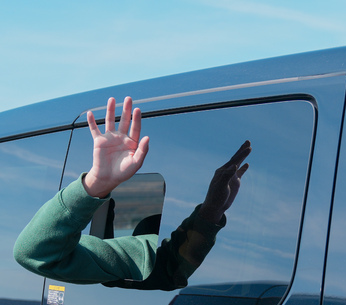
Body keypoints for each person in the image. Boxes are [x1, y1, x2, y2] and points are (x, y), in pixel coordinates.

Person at [14, 96, 249, 287]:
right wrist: (96, 183)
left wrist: (213, 210)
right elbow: (34, 253)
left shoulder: (142, 256)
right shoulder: (128, 254)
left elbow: (169, 269)